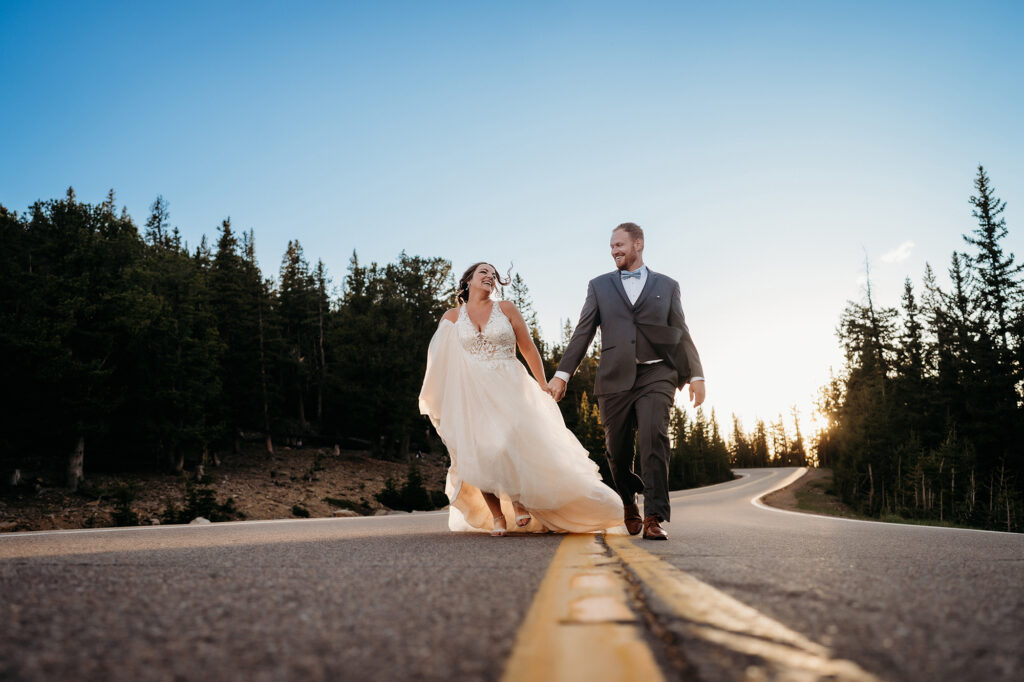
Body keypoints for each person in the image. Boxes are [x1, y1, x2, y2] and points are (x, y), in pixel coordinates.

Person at [419, 262, 624, 536]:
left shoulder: (506, 309)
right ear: (467, 281)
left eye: (493, 275)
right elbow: (439, 358)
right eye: (483, 273)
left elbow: (527, 347)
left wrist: (542, 384)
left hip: (510, 386)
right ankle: (496, 516)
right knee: (476, 450)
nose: (490, 277)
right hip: (471, 392)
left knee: (507, 442)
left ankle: (518, 503)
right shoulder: (452, 317)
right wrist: (441, 396)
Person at [549, 223, 705, 541]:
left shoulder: (668, 285)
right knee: (617, 452)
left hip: (657, 374)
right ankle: (627, 502)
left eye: (619, 244)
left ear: (638, 244)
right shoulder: (599, 286)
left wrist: (696, 374)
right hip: (614, 377)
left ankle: (653, 516)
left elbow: (681, 330)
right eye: (611, 247)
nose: (614, 251)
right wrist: (562, 375)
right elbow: (583, 332)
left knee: (654, 438)